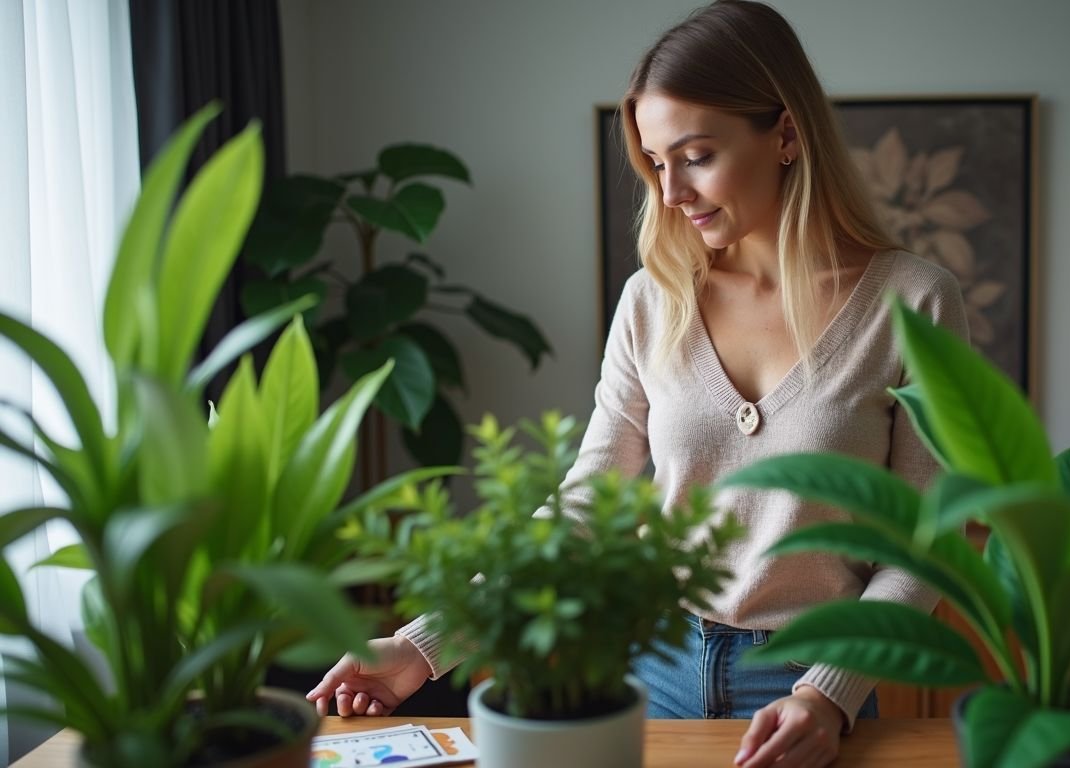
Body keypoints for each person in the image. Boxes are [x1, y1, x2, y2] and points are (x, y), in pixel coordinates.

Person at [306, 2, 967, 766]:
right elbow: (588, 503)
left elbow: (925, 543)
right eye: (655, 162)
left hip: (810, 693)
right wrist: (424, 648)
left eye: (695, 155)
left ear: (785, 133)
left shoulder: (915, 301)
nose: (671, 190)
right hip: (654, 670)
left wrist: (828, 693)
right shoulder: (654, 300)